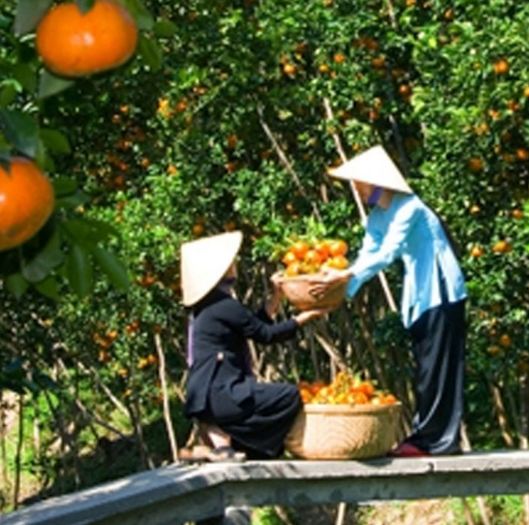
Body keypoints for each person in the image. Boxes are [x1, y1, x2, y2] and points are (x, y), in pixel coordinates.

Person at [312, 146, 467, 457]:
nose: (355, 187)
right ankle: (428, 437)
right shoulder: (378, 215)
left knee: (439, 367)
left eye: (359, 181)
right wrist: (341, 293)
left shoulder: (409, 207)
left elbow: (389, 252)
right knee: (425, 366)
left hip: (440, 289)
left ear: (376, 181)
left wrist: (343, 277)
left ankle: (437, 441)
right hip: (421, 294)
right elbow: (368, 254)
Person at [180, 230, 325, 460]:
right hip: (222, 396)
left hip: (207, 397)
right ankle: (228, 440)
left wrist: (276, 297)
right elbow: (266, 335)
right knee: (288, 396)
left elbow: (253, 326)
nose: (234, 265)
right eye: (230, 263)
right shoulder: (224, 305)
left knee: (273, 398)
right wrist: (303, 318)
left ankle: (219, 443)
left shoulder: (209, 306)